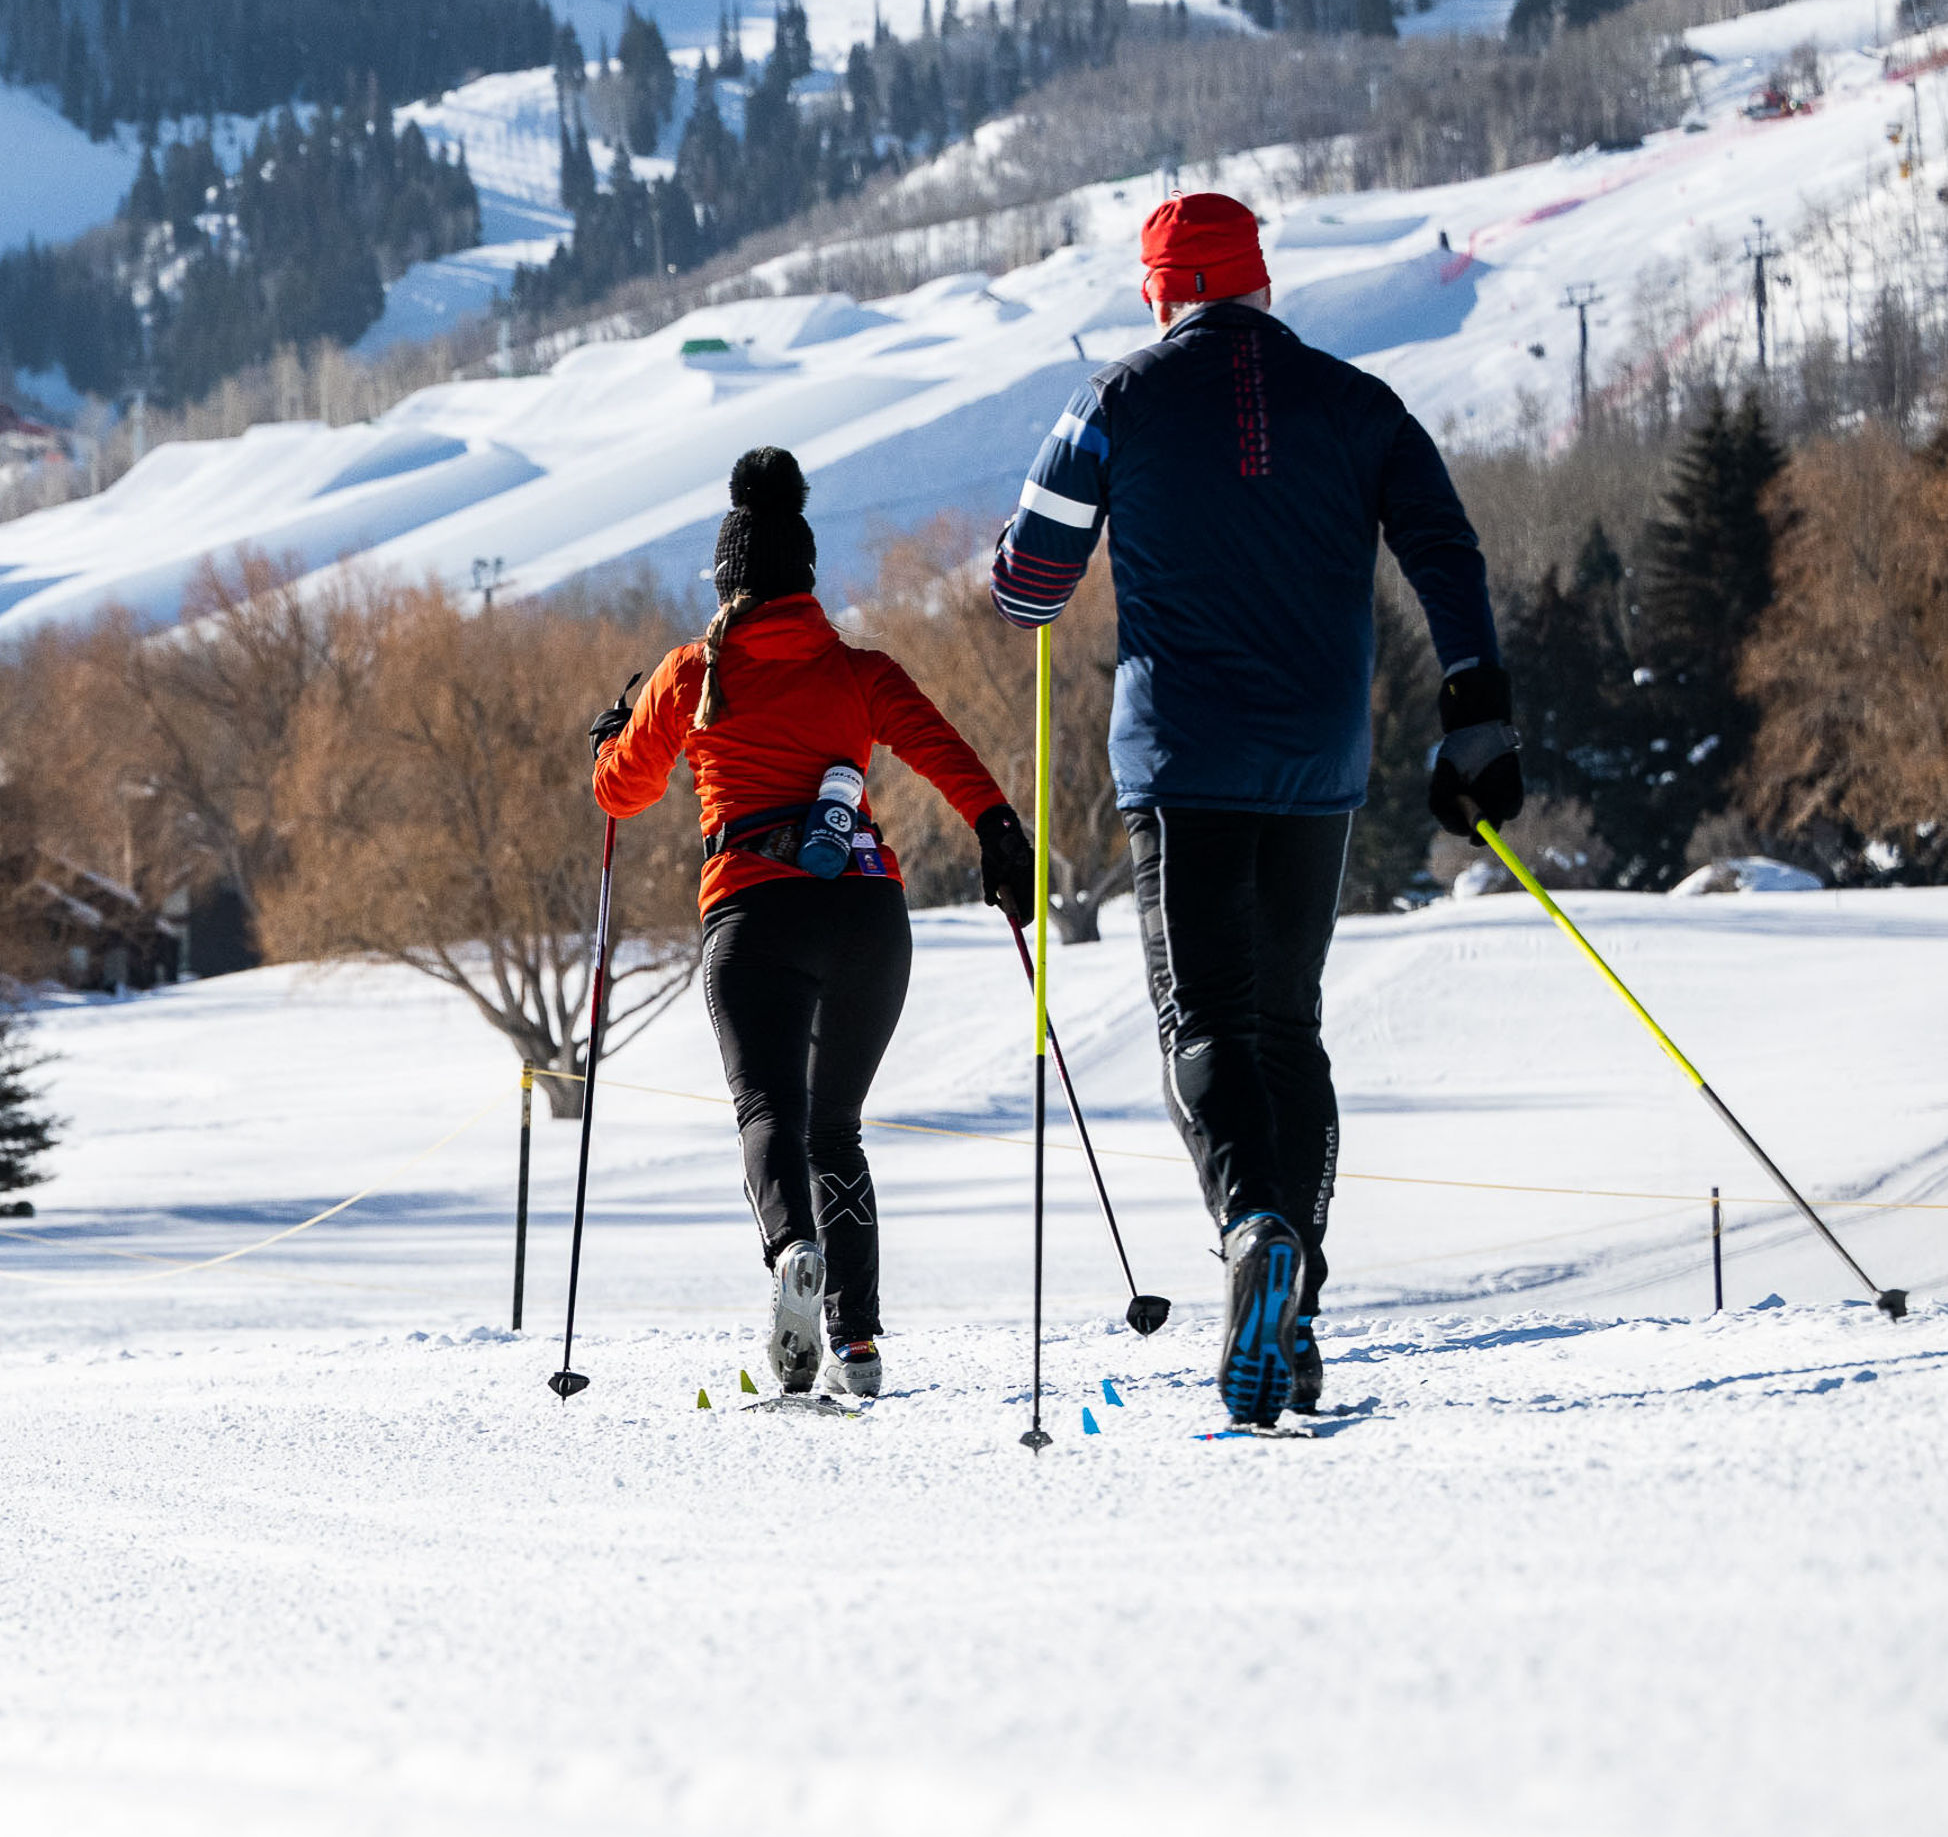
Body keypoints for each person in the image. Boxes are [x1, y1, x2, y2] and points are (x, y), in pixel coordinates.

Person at [990, 191, 1524, 1427]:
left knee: (1203, 1021)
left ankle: (1253, 1232)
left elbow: (1027, 582)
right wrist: (1475, 708)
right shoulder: (1360, 404)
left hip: (1181, 764)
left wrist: (1022, 584)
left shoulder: (1114, 400)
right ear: (1263, 285)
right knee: (1288, 1022)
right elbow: (1446, 549)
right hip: (1319, 763)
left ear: (1157, 294)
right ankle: (1293, 1326)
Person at [593, 447, 1037, 1399]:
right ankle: (860, 1342)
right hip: (870, 916)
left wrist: (609, 742)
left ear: (725, 583)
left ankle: (793, 1250)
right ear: (805, 578)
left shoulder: (686, 675)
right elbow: (946, 752)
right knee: (837, 1128)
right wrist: (999, 833)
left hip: (755, 916)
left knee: (770, 1116)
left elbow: (621, 794)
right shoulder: (860, 670)